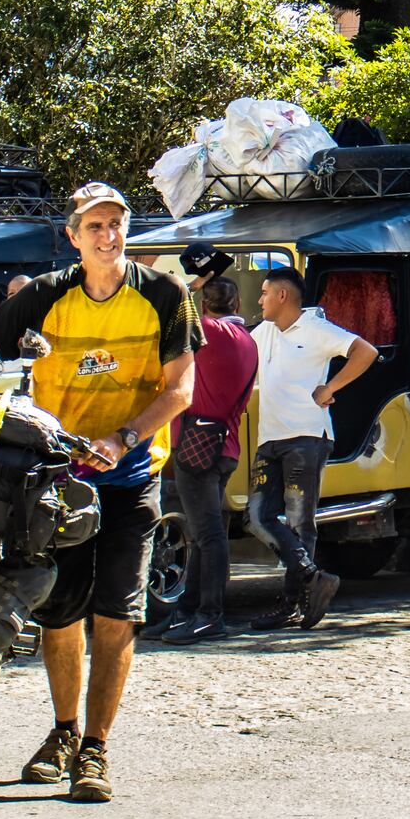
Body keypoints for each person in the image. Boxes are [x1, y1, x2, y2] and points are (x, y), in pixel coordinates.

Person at [0, 182, 202, 803]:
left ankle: (96, 748)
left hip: (130, 474)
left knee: (116, 618)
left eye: (116, 223)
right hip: (56, 477)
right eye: (94, 226)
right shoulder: (43, 294)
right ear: (73, 236)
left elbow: (180, 390)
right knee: (60, 615)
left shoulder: (165, 296)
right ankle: (63, 732)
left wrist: (123, 438)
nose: (107, 235)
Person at [247, 266, 379, 632]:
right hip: (269, 438)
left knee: (300, 520)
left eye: (264, 293)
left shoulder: (317, 329)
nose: (260, 300)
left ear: (282, 296)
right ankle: (312, 576)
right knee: (257, 517)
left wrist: (330, 387)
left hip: (306, 436)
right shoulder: (264, 331)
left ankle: (292, 604)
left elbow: (364, 351)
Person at [160, 275, 256, 645]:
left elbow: (169, 309)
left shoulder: (211, 332)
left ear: (204, 306)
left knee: (208, 535)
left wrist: (189, 283)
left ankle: (209, 614)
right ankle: (190, 611)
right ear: (236, 304)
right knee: (204, 534)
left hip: (197, 445)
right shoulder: (245, 338)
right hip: (223, 445)